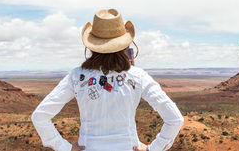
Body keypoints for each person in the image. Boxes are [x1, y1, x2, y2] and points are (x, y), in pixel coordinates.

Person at [31, 9, 184, 151]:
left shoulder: (76, 76)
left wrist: (64, 147)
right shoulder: (139, 76)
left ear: (91, 45)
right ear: (125, 44)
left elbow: (40, 116)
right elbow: (175, 119)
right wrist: (153, 148)